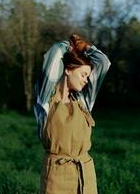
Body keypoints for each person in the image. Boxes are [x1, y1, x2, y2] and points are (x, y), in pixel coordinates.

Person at [34, 34, 111, 194]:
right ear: (68, 70)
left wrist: (87, 48)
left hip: (85, 172)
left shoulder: (84, 100)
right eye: (83, 74)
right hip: (56, 175)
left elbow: (103, 63)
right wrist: (69, 45)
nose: (86, 80)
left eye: (88, 76)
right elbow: (54, 54)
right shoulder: (46, 99)